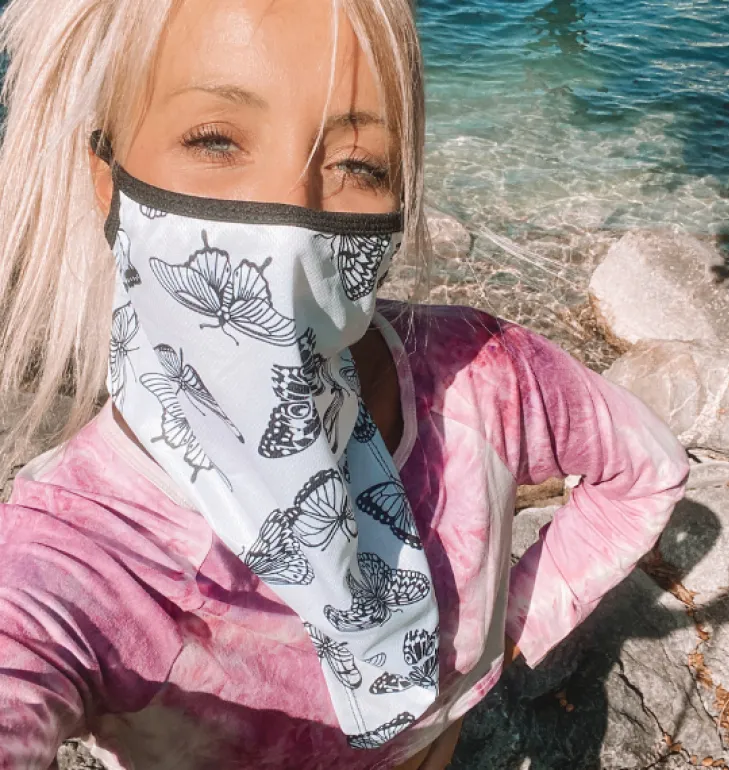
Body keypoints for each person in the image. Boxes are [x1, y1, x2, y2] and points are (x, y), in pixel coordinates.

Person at [0, 0, 690, 768]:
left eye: (360, 165)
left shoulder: (485, 380)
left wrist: (513, 629)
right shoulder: (68, 558)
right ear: (107, 180)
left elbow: (645, 471)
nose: (291, 217)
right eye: (216, 140)